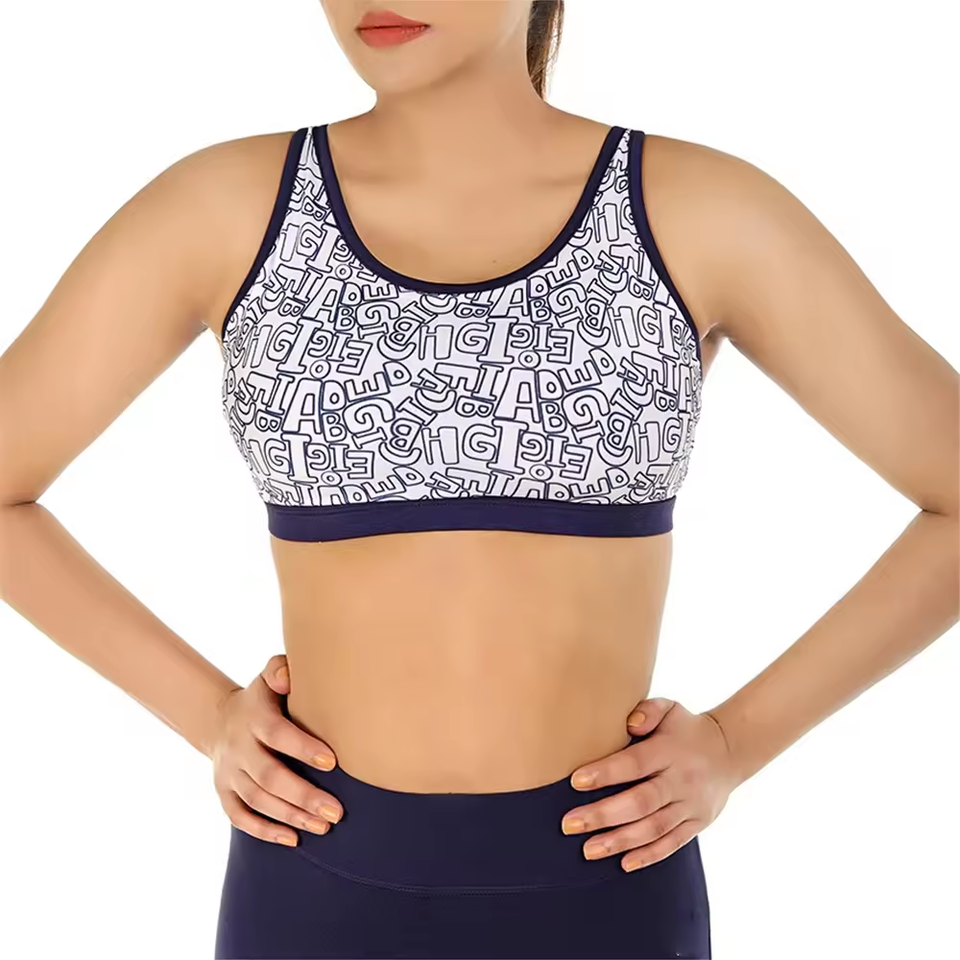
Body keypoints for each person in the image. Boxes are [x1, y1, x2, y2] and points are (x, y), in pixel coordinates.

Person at [0, 1, 957, 958]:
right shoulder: (222, 210)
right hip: (312, 885)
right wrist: (208, 716)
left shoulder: (699, 210)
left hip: (607, 884)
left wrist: (739, 743)